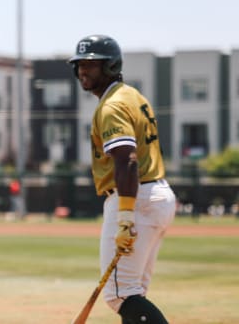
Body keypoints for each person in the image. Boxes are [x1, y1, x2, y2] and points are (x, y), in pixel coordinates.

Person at [68, 35, 176, 323]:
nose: (83, 71)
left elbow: (126, 160)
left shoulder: (112, 106)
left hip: (134, 198)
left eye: (92, 64)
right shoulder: (132, 95)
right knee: (132, 292)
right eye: (80, 64)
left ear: (111, 66)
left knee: (120, 295)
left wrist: (126, 216)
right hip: (154, 194)